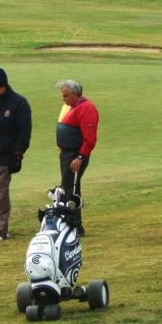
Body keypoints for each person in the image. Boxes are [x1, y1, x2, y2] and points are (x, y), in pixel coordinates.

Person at [0, 67, 32, 243]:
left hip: (7, 155)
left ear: (5, 85)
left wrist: (18, 154)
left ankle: (2, 230)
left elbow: (24, 131)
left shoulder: (18, 103)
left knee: (0, 192)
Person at [55, 80, 100, 236]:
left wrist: (80, 157)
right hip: (68, 154)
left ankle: (74, 226)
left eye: (66, 96)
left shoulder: (87, 109)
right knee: (70, 189)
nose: (64, 99)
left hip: (75, 156)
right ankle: (74, 225)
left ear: (75, 94)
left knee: (69, 189)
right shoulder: (75, 107)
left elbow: (90, 139)